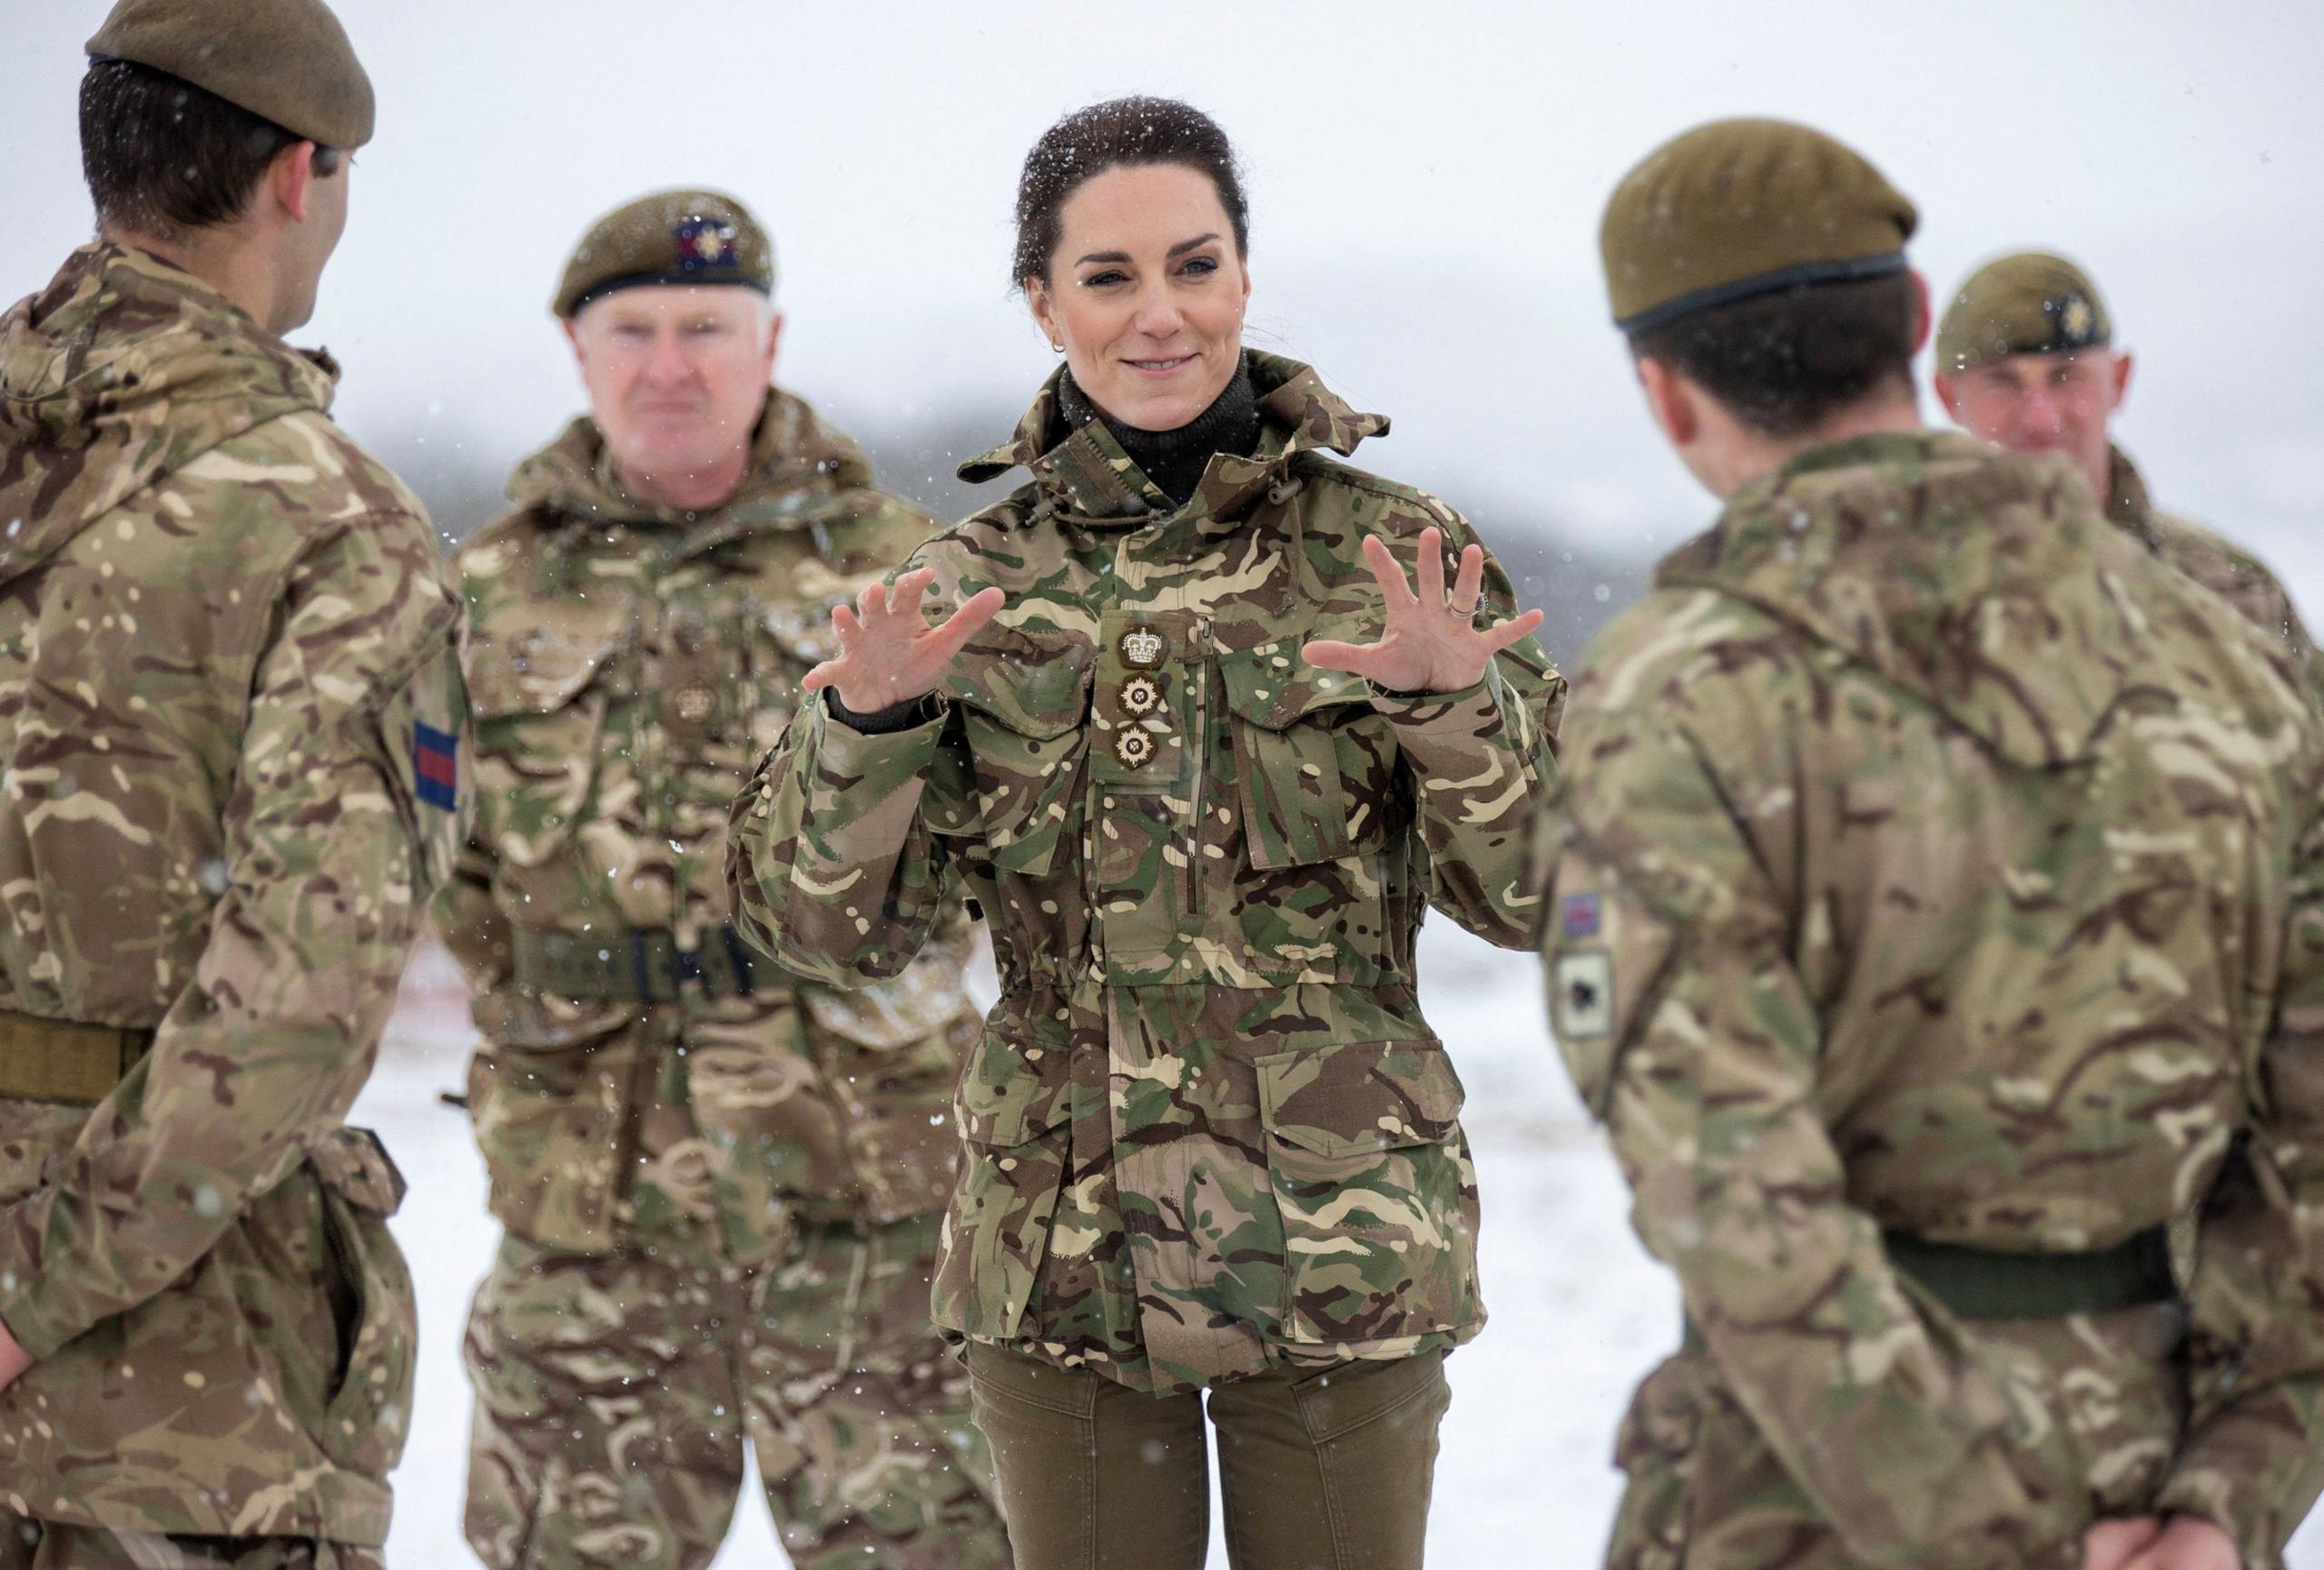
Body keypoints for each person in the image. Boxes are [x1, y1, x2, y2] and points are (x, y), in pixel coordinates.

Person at [728, 96, 1562, 1570]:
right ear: (1044, 302)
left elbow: (1537, 890)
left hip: (1340, 1242)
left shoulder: (1394, 559)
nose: (1160, 313)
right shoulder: (962, 592)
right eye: (1108, 278)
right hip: (1065, 1268)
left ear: (1246, 273)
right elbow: (828, 932)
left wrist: (1455, 705)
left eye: (1196, 264)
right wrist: (867, 734)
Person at [1538, 118, 2324, 1570]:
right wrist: (2232, 1494)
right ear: (1915, 325)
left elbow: (1730, 1182)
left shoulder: (1680, 695)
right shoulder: (2234, 665)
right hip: (2157, 1478)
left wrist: (1987, 1530)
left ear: (1664, 393)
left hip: (1822, 1500)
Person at [436, 189, 1008, 1570]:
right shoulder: (482, 592)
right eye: (632, 329)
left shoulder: (904, 568)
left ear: (772, 340)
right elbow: (435, 869)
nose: (670, 365)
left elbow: (999, 854)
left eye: (707, 326)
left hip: (877, 1195)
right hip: (593, 1208)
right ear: (577, 350)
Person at [0, 0, 468, 1564]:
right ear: (298, 174)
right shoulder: (329, 520)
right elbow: (300, 984)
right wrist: (31, 1291)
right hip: (183, 1406)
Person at [1935, 250, 2323, 701]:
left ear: (2118, 381)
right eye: (2002, 382)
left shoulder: (2230, 591)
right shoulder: (1899, 594)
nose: (2041, 420)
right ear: (1948, 397)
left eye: (2066, 377)